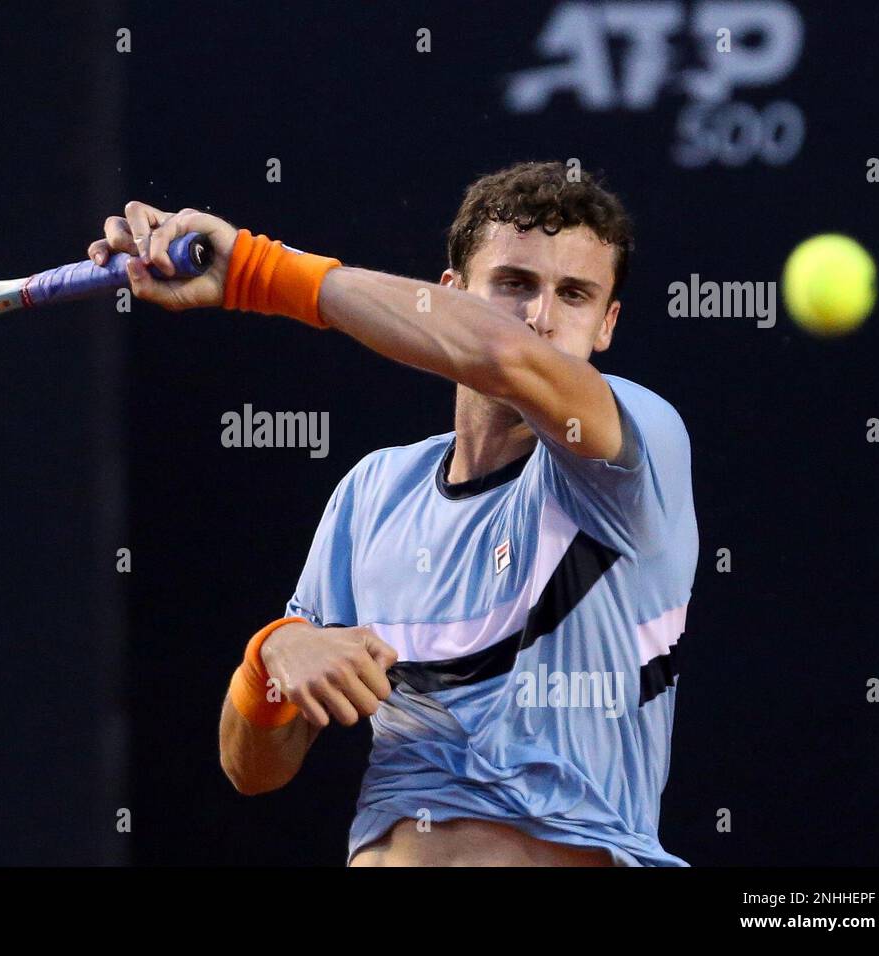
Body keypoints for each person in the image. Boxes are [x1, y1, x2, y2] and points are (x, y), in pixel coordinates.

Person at [89, 161, 698, 866]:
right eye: (513, 284)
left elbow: (505, 355)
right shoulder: (374, 491)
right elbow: (254, 769)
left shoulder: (636, 444)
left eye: (575, 295)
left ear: (606, 325)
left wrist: (257, 272)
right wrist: (274, 661)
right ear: (450, 294)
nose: (540, 316)